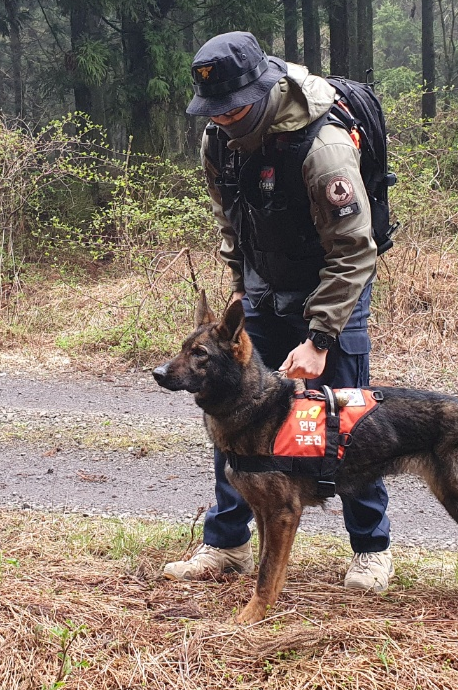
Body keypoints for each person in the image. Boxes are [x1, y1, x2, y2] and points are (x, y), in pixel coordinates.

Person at [163, 31, 393, 593]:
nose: (223, 121)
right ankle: (228, 544)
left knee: (341, 422)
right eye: (213, 112)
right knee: (232, 413)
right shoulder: (218, 140)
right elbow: (230, 221)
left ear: (262, 90)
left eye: (233, 108)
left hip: (330, 288)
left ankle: (370, 549)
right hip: (263, 290)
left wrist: (319, 339)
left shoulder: (324, 146)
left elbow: (354, 249)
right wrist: (240, 287)